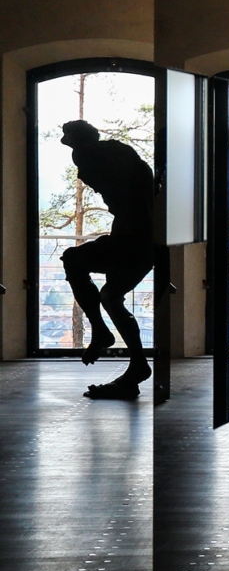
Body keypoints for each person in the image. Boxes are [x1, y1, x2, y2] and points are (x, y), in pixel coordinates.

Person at [59, 120, 153, 400]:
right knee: (111, 296)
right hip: (138, 238)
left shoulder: (99, 158)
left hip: (134, 240)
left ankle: (102, 333)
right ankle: (135, 363)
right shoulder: (121, 160)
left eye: (84, 173)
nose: (83, 178)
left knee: (77, 263)